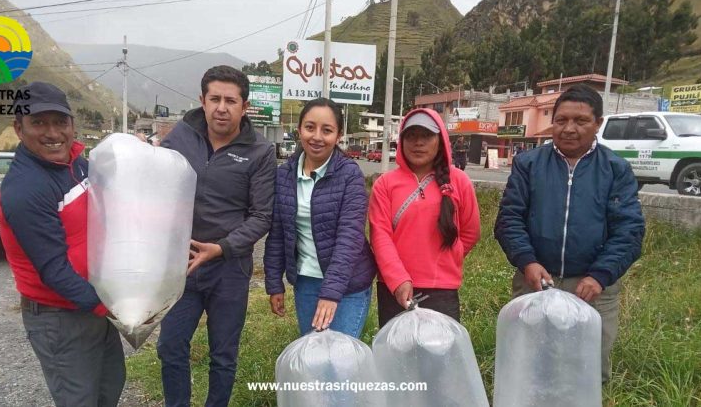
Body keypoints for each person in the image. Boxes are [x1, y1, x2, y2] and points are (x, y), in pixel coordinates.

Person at [494, 84, 645, 382]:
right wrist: (527, 262)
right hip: (535, 282)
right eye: (561, 120)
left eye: (580, 121)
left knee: (586, 371)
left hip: (592, 288)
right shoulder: (528, 164)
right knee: (528, 365)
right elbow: (509, 219)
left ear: (598, 123)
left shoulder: (616, 169)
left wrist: (600, 275)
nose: (569, 129)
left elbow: (629, 230)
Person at [0, 81, 125, 406]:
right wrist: (115, 309)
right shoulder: (26, 189)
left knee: (109, 387)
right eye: (39, 123)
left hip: (93, 303)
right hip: (60, 317)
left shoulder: (77, 165)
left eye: (60, 121)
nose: (52, 133)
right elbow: (53, 269)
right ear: (19, 128)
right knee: (79, 399)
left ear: (72, 124)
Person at [157, 65, 277, 407]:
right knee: (170, 346)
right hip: (183, 265)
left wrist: (221, 248)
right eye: (215, 99)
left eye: (230, 101)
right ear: (202, 100)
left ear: (244, 106)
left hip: (229, 269)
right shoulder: (179, 138)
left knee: (223, 354)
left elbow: (262, 216)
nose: (221, 108)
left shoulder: (260, 151)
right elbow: (156, 186)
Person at [264, 98, 376, 338]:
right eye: (310, 127)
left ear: (338, 135)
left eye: (327, 130)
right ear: (299, 130)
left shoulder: (349, 175)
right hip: (306, 281)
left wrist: (331, 292)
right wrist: (274, 283)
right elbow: (278, 233)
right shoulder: (284, 175)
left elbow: (350, 237)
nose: (317, 137)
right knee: (312, 353)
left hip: (348, 285)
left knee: (340, 356)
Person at [369, 108, 481, 327]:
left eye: (427, 135)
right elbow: (380, 236)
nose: (418, 143)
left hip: (442, 290)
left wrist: (449, 257)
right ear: (401, 141)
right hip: (395, 290)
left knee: (441, 348)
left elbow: (471, 232)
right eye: (411, 136)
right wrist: (397, 279)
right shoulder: (385, 184)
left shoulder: (460, 181)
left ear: (440, 140)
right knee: (397, 348)